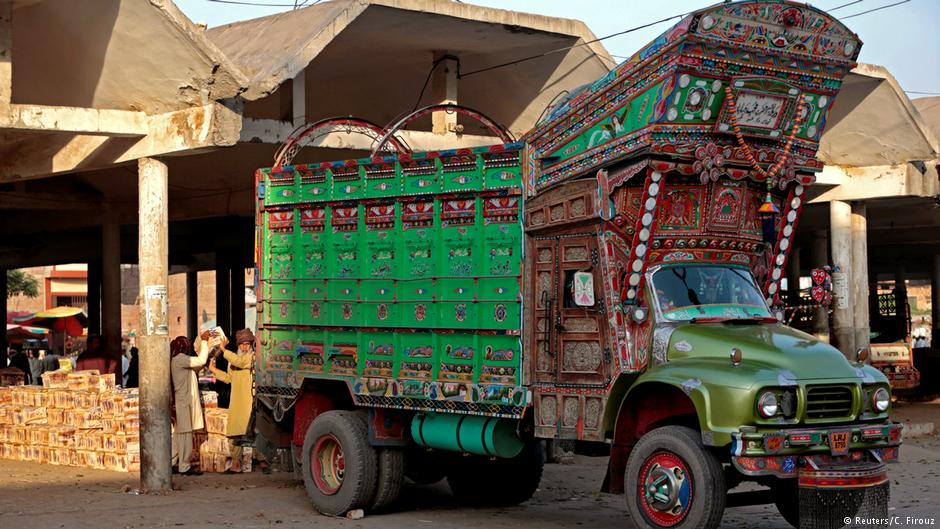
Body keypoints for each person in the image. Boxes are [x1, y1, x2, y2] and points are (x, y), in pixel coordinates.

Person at [208, 329, 265, 473]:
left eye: (247, 344)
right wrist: (214, 370)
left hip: (249, 400)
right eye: (242, 344)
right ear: (238, 345)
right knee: (234, 433)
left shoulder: (252, 357)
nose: (245, 347)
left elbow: (239, 362)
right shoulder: (233, 360)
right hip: (236, 401)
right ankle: (235, 463)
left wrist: (223, 349)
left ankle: (263, 461)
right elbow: (229, 378)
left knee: (254, 431)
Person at [171, 334, 210, 476]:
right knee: (186, 433)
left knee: (179, 435)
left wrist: (210, 352)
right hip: (183, 402)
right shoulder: (180, 359)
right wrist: (204, 341)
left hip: (183, 401)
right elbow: (201, 360)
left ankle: (171, 462)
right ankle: (184, 466)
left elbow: (198, 365)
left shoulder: (179, 360)